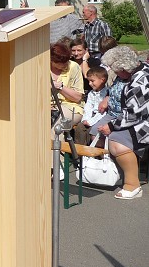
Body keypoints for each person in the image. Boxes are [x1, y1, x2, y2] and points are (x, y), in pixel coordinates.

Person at [92, 46, 149, 199]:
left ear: (124, 67)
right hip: (138, 118)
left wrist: (111, 126)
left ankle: (133, 185)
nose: (113, 72)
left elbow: (132, 114)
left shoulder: (140, 81)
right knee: (105, 134)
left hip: (143, 122)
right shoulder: (135, 72)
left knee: (117, 141)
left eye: (115, 69)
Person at [50, 42, 84, 140]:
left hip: (70, 106)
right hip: (47, 106)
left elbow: (77, 98)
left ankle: (56, 155)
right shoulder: (42, 66)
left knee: (57, 128)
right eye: (62, 64)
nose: (66, 65)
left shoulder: (73, 67)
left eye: (67, 61)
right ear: (52, 61)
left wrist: (60, 87)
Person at [81, 66, 108, 131]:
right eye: (89, 81)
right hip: (91, 116)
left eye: (92, 81)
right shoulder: (91, 93)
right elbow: (88, 106)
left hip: (100, 117)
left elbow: (103, 112)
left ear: (102, 80)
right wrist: (86, 119)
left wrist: (91, 122)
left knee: (94, 129)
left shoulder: (107, 93)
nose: (90, 84)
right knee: (80, 128)